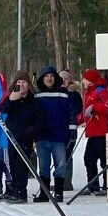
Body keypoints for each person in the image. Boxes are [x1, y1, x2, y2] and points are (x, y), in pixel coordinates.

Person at [32, 66, 75, 203]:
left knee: (60, 166)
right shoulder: (37, 96)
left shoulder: (64, 94)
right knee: (43, 166)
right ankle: (44, 194)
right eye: (46, 76)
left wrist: (72, 131)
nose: (49, 78)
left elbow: (71, 114)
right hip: (42, 137)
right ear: (42, 79)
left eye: (51, 76)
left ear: (55, 78)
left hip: (60, 136)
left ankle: (59, 193)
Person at [0, 71, 37, 204]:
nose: (21, 85)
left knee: (21, 165)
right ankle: (14, 190)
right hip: (12, 135)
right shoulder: (12, 98)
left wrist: (33, 133)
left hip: (26, 136)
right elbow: (3, 109)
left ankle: (21, 192)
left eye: (24, 82)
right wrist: (12, 98)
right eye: (18, 82)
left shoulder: (32, 99)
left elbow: (38, 118)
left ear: (28, 84)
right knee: (13, 164)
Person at [75, 68, 108, 197]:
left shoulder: (101, 91)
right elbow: (86, 112)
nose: (83, 81)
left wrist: (94, 107)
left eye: (85, 78)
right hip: (92, 131)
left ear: (90, 80)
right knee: (89, 159)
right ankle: (93, 185)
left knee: (104, 160)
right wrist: (77, 120)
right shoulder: (88, 92)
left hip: (101, 131)